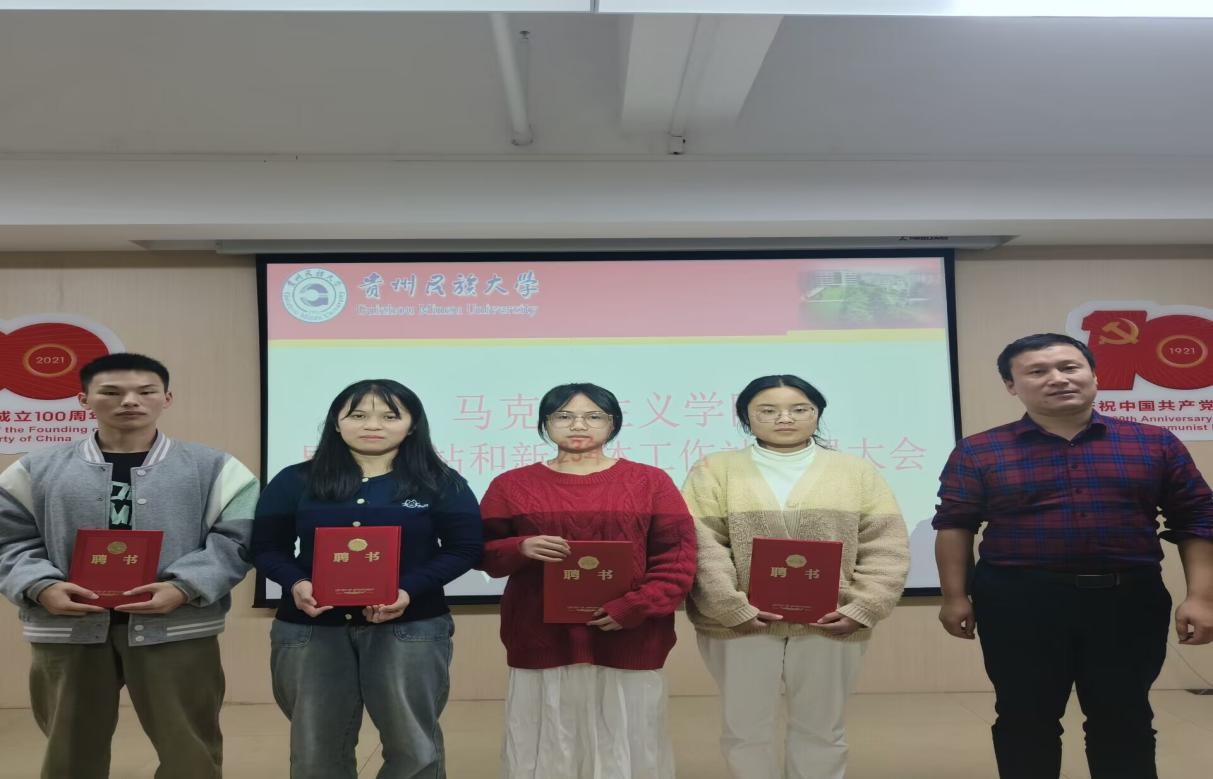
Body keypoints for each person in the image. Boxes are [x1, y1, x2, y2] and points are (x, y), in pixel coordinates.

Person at [932, 332, 1213, 779]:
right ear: (1011, 385)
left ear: (1094, 376)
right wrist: (954, 596)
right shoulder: (980, 450)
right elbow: (955, 524)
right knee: (1025, 718)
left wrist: (1201, 597)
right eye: (1037, 371)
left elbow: (1197, 518)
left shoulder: (1153, 442)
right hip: (1018, 604)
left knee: (1124, 717)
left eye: (1069, 367)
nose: (1058, 378)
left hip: (1128, 602)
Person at [0, 352, 258, 779]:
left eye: (145, 391)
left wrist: (184, 586)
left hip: (176, 624)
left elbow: (240, 538)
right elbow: (7, 538)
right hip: (67, 626)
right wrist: (40, 585)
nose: (130, 401)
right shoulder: (34, 469)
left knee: (190, 750)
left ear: (167, 398)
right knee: (69, 749)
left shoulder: (215, 468)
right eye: (112, 392)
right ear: (83, 399)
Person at [252, 379, 481, 779]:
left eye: (389, 416)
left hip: (410, 626)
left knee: (414, 748)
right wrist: (297, 584)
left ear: (412, 424)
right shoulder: (295, 480)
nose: (372, 425)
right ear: (336, 422)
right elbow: (265, 547)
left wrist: (408, 590)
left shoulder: (441, 481)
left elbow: (465, 549)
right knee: (316, 749)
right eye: (357, 415)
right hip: (311, 627)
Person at [683, 374, 909, 779]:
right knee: (745, 729)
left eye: (799, 409)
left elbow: (886, 544)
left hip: (832, 620)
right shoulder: (714, 470)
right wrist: (731, 607)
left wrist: (863, 606)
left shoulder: (855, 472)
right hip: (740, 624)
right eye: (767, 410)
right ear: (746, 417)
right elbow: (702, 544)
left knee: (822, 728)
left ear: (817, 413)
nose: (784, 418)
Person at [479, 382, 697, 779]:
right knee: (547, 741)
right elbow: (482, 552)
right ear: (545, 423)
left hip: (630, 636)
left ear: (613, 423)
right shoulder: (510, 485)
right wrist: (519, 547)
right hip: (541, 635)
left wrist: (635, 606)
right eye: (564, 416)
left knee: (628, 741)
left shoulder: (651, 481)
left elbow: (678, 557)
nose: (578, 425)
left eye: (593, 416)